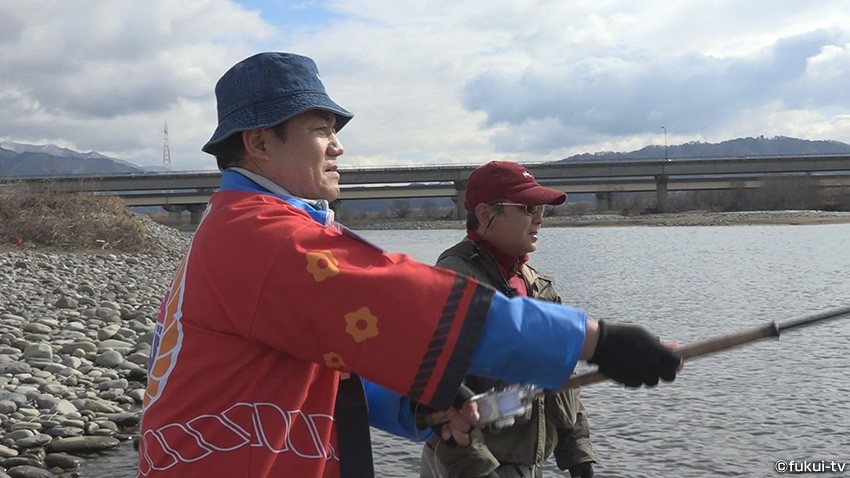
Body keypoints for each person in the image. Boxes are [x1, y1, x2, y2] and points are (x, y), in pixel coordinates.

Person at [136, 52, 682, 478]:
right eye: (321, 130)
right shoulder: (262, 235)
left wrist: (424, 407)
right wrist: (594, 340)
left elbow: (324, 372)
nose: (338, 148)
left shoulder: (233, 226)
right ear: (258, 142)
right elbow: (404, 300)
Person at [421, 161, 597, 478]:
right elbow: (437, 402)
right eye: (529, 207)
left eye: (542, 207)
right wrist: (479, 470)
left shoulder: (539, 286)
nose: (540, 217)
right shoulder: (453, 281)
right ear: (488, 214)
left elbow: (564, 379)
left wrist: (579, 456)